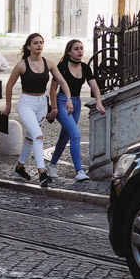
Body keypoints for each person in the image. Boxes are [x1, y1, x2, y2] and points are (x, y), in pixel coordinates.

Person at [0, 33, 73, 188]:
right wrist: (8, 106)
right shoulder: (22, 65)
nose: (39, 45)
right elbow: (9, 85)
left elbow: (62, 81)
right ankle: (42, 172)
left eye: (41, 42)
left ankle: (19, 167)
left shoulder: (49, 63)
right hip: (26, 104)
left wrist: (68, 98)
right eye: (35, 43)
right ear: (29, 46)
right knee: (38, 136)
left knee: (30, 138)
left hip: (41, 104)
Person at [47, 39, 106, 182]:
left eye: (81, 48)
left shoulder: (85, 68)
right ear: (69, 52)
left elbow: (94, 86)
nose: (80, 51)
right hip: (63, 102)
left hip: (76, 103)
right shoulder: (62, 66)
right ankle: (79, 171)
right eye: (76, 49)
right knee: (75, 134)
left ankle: (52, 164)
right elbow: (53, 88)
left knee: (65, 136)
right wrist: (54, 108)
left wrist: (99, 101)